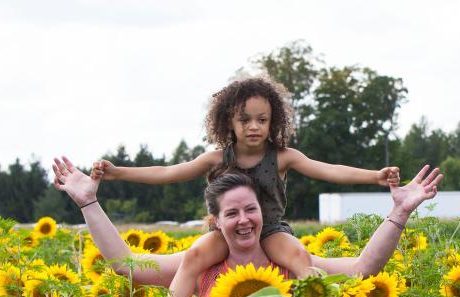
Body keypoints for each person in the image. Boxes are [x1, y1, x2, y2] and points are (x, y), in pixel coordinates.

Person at [51, 156, 439, 297]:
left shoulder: (289, 264)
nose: (243, 220)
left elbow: (363, 267)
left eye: (250, 209)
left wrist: (400, 211)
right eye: (231, 213)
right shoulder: (202, 266)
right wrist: (88, 203)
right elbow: (127, 265)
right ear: (216, 220)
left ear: (263, 213)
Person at [90, 75, 399, 282]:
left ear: (273, 121)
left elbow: (329, 170)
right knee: (195, 255)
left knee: (299, 256)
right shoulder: (216, 158)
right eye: (245, 120)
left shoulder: (282, 156)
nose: (254, 127)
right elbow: (168, 172)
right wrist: (119, 173)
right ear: (229, 121)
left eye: (262, 120)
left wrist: (374, 176)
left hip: (271, 231)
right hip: (225, 234)